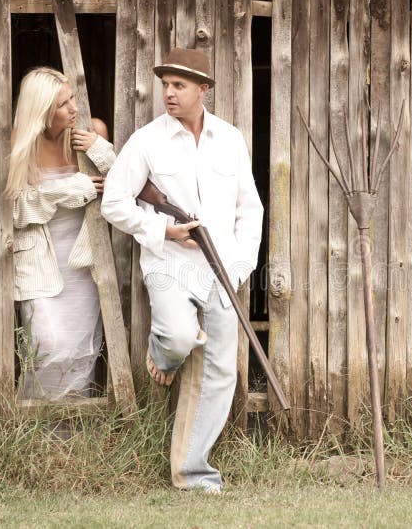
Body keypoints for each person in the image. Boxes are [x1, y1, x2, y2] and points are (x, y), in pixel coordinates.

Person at [101, 48, 263, 493]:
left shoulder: (230, 139)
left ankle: (192, 474)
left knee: (220, 373)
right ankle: (164, 358)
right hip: (170, 264)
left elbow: (250, 208)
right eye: (166, 85)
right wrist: (163, 230)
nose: (169, 94)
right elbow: (113, 202)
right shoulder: (147, 140)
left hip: (222, 270)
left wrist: (241, 265)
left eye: (180, 86)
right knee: (175, 338)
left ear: (203, 90)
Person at [6, 67, 116, 401]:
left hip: (82, 258)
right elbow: (17, 211)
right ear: (41, 110)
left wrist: (100, 148)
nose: (73, 108)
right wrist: (68, 189)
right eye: (62, 104)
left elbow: (125, 189)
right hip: (38, 255)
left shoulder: (90, 131)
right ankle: (34, 428)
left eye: (72, 98)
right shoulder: (22, 142)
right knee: (47, 343)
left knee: (80, 350)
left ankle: (70, 436)